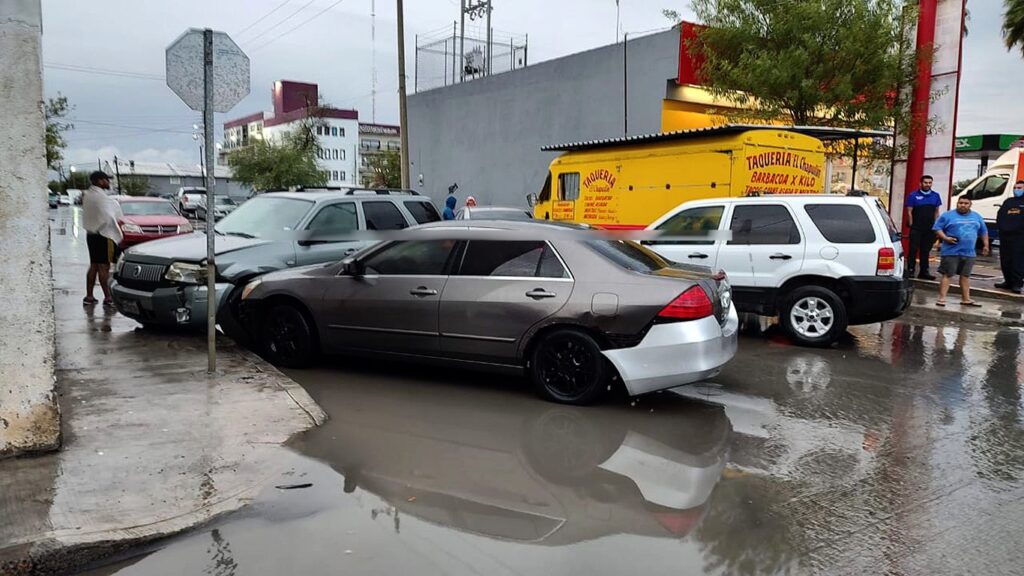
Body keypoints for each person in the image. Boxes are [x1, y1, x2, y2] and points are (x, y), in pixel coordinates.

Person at [932, 196, 989, 307]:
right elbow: (937, 228)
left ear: (970, 204)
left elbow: (983, 231)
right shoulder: (948, 215)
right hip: (951, 251)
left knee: (965, 276)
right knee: (947, 275)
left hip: (969, 252)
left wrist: (986, 245)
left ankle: (966, 299)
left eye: (966, 203)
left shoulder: (976, 216)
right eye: (960, 203)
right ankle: (942, 298)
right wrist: (945, 238)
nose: (963, 205)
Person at [82, 171, 123, 306]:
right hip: (103, 235)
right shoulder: (102, 197)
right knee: (104, 267)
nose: (108, 182)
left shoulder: (88, 195)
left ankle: (89, 296)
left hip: (91, 234)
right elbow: (111, 216)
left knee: (93, 265)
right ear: (100, 181)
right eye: (106, 179)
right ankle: (108, 297)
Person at [905, 175, 944, 280]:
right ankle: (911, 270)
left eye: (929, 183)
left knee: (925, 251)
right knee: (913, 250)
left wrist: (937, 226)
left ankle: (924, 272)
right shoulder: (913, 196)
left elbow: (936, 212)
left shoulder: (935, 196)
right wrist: (911, 225)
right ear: (920, 183)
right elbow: (909, 211)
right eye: (925, 182)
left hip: (929, 228)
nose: (927, 185)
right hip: (916, 228)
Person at [995, 180, 1024, 294]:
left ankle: (1017, 284)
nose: (1017, 189)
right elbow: (1000, 216)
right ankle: (1008, 281)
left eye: (1020, 187)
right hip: (1005, 237)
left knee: (1018, 261)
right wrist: (1002, 228)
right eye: (1015, 187)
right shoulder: (1008, 202)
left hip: (1020, 238)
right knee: (1005, 260)